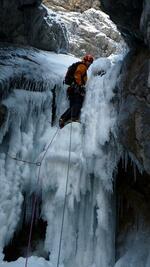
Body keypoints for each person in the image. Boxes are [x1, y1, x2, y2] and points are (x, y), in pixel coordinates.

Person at [59, 54, 94, 128]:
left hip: (72, 88)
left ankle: (64, 119)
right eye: (89, 62)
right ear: (85, 60)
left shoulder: (79, 65)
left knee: (73, 104)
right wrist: (80, 85)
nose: (89, 64)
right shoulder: (82, 66)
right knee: (77, 103)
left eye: (90, 62)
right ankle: (72, 117)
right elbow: (77, 74)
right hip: (75, 88)